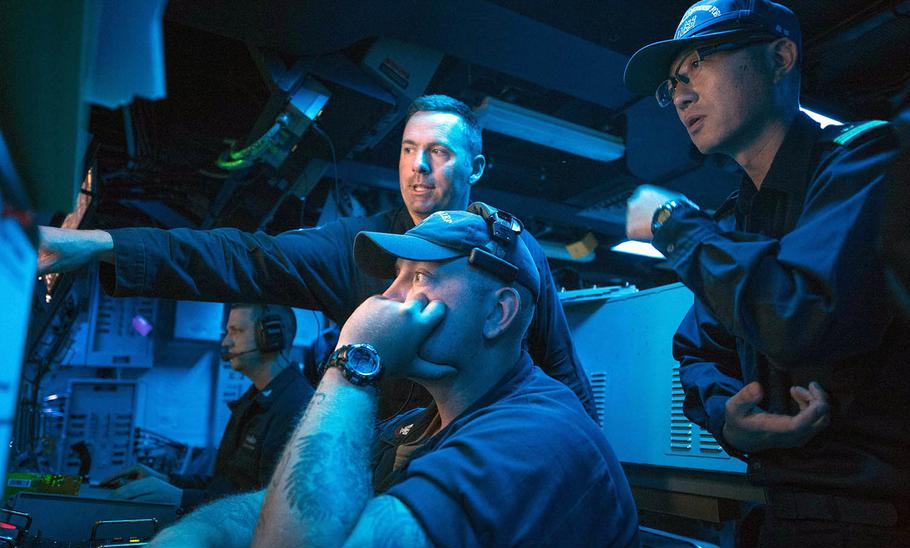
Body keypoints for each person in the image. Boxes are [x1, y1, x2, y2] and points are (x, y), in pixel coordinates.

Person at [124, 208, 641, 548]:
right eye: (395, 276)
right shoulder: (418, 426)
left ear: (498, 312)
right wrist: (195, 535)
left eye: (419, 277)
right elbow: (299, 505)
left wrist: (354, 360)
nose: (386, 300)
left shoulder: (536, 436)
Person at [37, 94, 596, 421]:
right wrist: (100, 244)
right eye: (407, 150)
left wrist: (587, 469)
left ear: (474, 169)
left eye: (439, 152)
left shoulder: (512, 253)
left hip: (491, 463)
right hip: (389, 474)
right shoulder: (361, 248)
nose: (418, 166)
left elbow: (563, 371)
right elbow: (248, 256)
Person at [623, 0, 910, 548]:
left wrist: (671, 224)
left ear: (780, 58)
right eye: (673, 83)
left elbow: (801, 316)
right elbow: (698, 349)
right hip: (782, 512)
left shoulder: (866, 162)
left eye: (698, 66)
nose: (679, 95)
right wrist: (729, 417)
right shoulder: (733, 222)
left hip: (878, 524)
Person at [103, 304, 314, 512]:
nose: (226, 341)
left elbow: (270, 505)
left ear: (271, 337)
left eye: (236, 331)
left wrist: (182, 498)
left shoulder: (295, 406)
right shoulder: (254, 401)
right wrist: (167, 481)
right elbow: (228, 485)